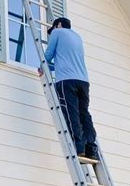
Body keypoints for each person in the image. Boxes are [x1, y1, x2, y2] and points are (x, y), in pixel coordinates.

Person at [38, 17, 98, 159]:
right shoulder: (77, 37)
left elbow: (49, 54)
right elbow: (63, 61)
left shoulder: (58, 33)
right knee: (84, 114)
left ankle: (79, 147)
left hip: (66, 81)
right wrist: (50, 67)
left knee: (71, 113)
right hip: (83, 81)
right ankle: (91, 148)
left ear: (59, 25)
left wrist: (42, 66)